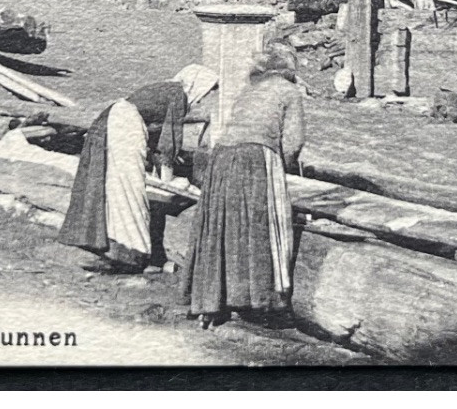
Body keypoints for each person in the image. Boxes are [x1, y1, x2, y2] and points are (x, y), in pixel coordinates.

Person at [182, 43, 305, 326]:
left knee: (222, 225)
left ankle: (212, 301)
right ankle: (261, 300)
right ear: (288, 69)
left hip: (222, 157)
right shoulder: (289, 92)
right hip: (256, 157)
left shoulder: (249, 90)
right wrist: (283, 167)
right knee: (265, 224)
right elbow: (293, 141)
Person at [58, 63, 219, 272]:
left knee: (116, 187)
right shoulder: (178, 94)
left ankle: (115, 248)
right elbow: (168, 141)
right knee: (130, 190)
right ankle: (131, 253)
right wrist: (168, 179)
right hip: (125, 126)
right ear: (198, 84)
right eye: (206, 92)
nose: (204, 98)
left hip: (114, 120)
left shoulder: (167, 90)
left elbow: (155, 132)